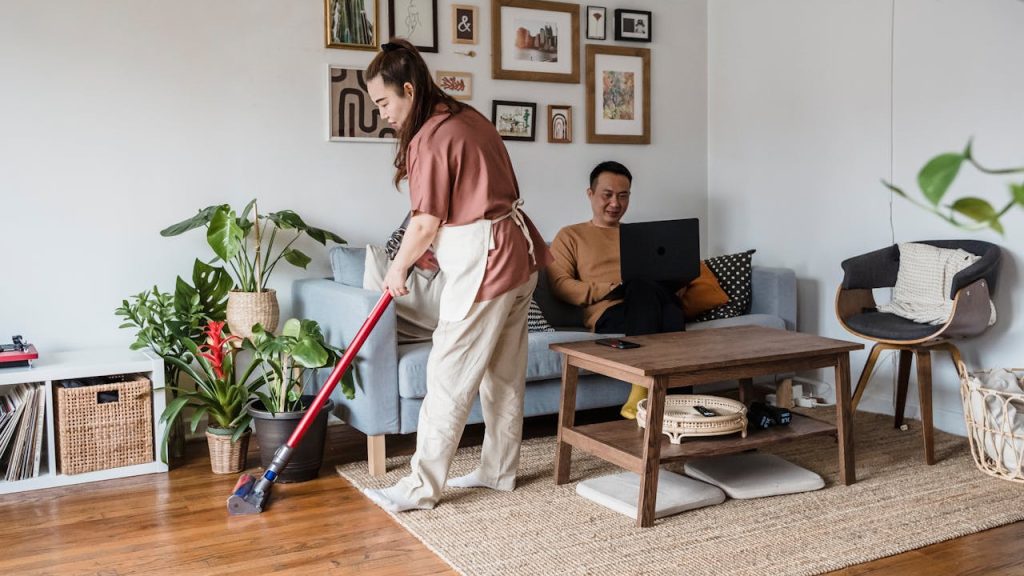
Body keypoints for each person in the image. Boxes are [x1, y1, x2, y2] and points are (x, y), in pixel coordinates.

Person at [363, 38, 551, 512]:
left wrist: (398, 267)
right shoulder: (468, 118)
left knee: (447, 375)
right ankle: (498, 470)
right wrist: (424, 256)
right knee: (503, 375)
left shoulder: (430, 136)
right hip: (518, 253)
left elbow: (426, 221)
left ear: (408, 89)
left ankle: (421, 488)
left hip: (485, 263)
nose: (382, 113)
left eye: (385, 101)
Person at [547, 161, 686, 419]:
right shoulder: (570, 236)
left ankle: (664, 405)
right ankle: (653, 390)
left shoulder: (642, 236)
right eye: (607, 195)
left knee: (668, 305)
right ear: (590, 194)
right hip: (609, 311)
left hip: (649, 301)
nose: (615, 203)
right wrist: (606, 289)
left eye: (623, 196)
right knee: (656, 299)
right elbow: (560, 286)